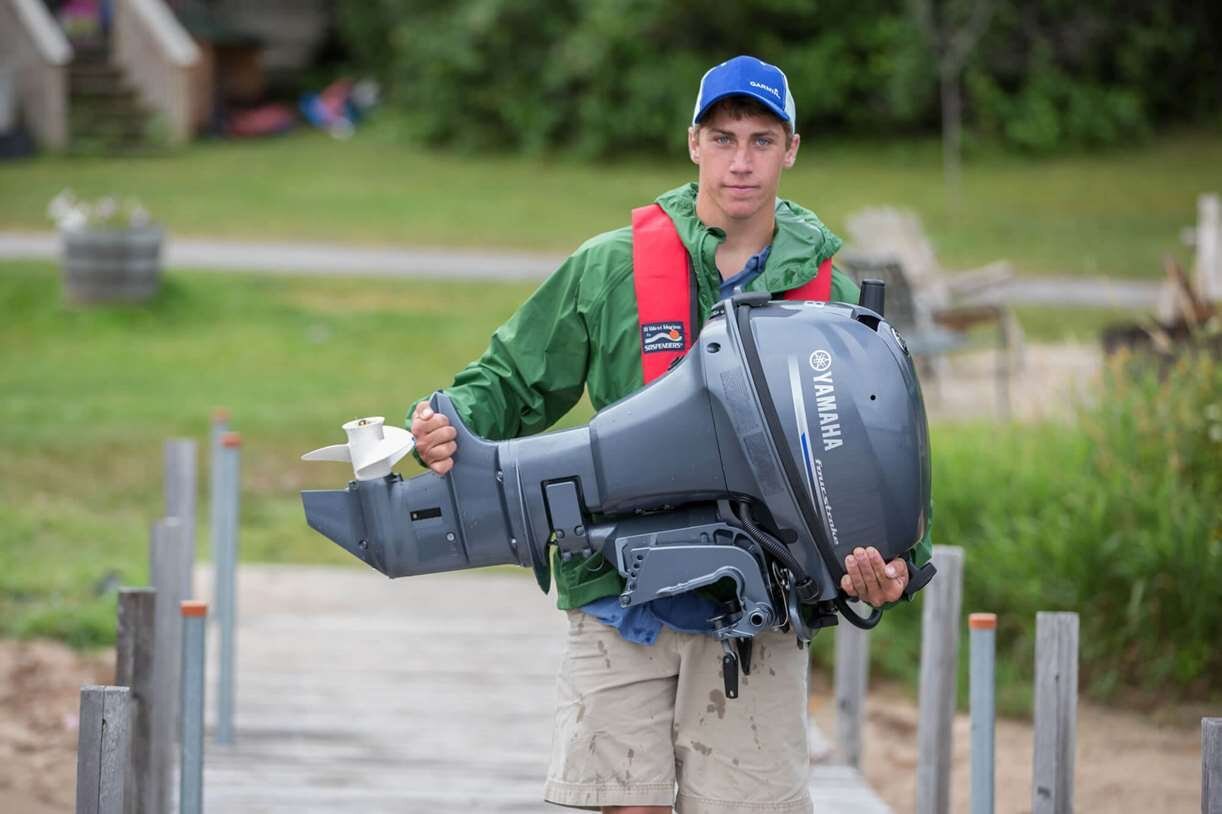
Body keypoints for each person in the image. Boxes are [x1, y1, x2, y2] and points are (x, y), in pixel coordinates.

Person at [409, 55, 927, 814]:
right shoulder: (609, 267)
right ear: (694, 144)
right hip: (617, 600)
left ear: (791, 150)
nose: (741, 161)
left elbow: (886, 452)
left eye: (761, 140)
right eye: (723, 139)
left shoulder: (836, 302)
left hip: (761, 621)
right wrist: (448, 422)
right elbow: (510, 381)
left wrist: (897, 563)